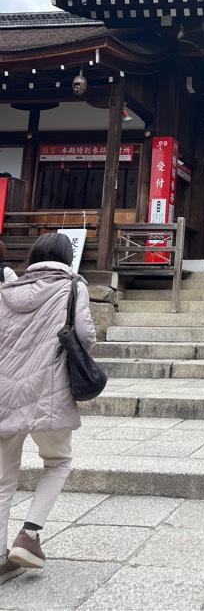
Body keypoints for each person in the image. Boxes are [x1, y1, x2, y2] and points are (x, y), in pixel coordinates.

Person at [0, 233, 96, 584]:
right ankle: (30, 534)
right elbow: (84, 336)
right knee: (58, 462)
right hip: (49, 390)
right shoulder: (72, 286)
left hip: (4, 392)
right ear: (66, 257)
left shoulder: (6, 290)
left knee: (1, 480)